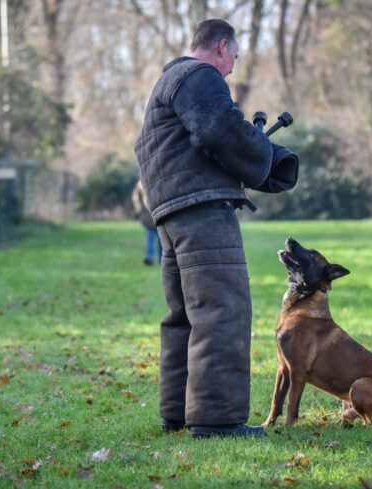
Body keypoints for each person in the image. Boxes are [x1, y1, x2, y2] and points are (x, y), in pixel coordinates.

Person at [134, 19, 299, 437]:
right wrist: (264, 156)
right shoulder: (199, 75)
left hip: (171, 214)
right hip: (202, 213)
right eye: (234, 58)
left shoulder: (168, 82)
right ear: (221, 47)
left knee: (185, 317)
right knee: (222, 309)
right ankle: (217, 419)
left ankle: (178, 412)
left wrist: (260, 161)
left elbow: (201, 142)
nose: (232, 69)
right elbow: (219, 129)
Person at [132, 180, 162, 265]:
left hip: (149, 213)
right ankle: (161, 259)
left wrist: (138, 208)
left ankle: (150, 257)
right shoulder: (158, 178)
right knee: (161, 238)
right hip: (156, 212)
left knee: (152, 238)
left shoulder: (141, 182)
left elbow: (135, 197)